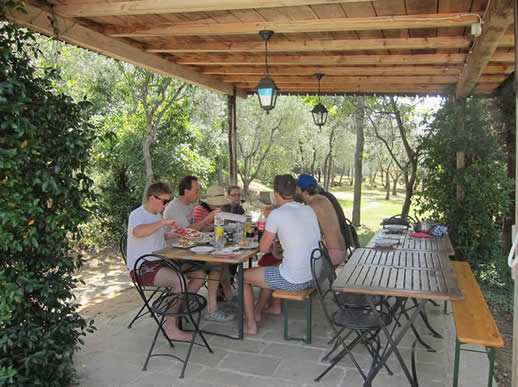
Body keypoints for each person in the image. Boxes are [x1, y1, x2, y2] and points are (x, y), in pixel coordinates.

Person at [242, 174, 321, 335]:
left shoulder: (277, 215)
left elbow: (263, 248)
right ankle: (262, 310)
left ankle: (250, 325)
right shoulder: (308, 209)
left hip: (295, 280)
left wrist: (268, 217)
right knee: (270, 267)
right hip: (314, 274)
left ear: (276, 193)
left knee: (242, 276)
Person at [126, 181, 206, 341]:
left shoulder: (156, 215)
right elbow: (139, 232)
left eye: (168, 201)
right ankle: (172, 327)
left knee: (199, 274)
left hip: (161, 260)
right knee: (180, 280)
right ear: (152, 198)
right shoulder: (137, 214)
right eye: (164, 201)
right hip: (142, 267)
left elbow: (161, 236)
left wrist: (178, 233)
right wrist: (163, 222)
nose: (166, 204)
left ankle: (178, 306)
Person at [164, 176, 234, 322]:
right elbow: (186, 232)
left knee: (216, 264)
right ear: (186, 191)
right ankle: (203, 308)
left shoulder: (189, 206)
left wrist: (209, 226)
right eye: (196, 190)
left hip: (190, 251)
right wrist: (208, 219)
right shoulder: (174, 207)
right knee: (215, 265)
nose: (199, 193)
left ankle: (181, 304)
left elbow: (196, 232)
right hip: (176, 255)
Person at [296, 174, 347, 266]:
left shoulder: (312, 205)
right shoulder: (322, 199)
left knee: (299, 269)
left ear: (302, 190)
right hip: (341, 248)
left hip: (331, 253)